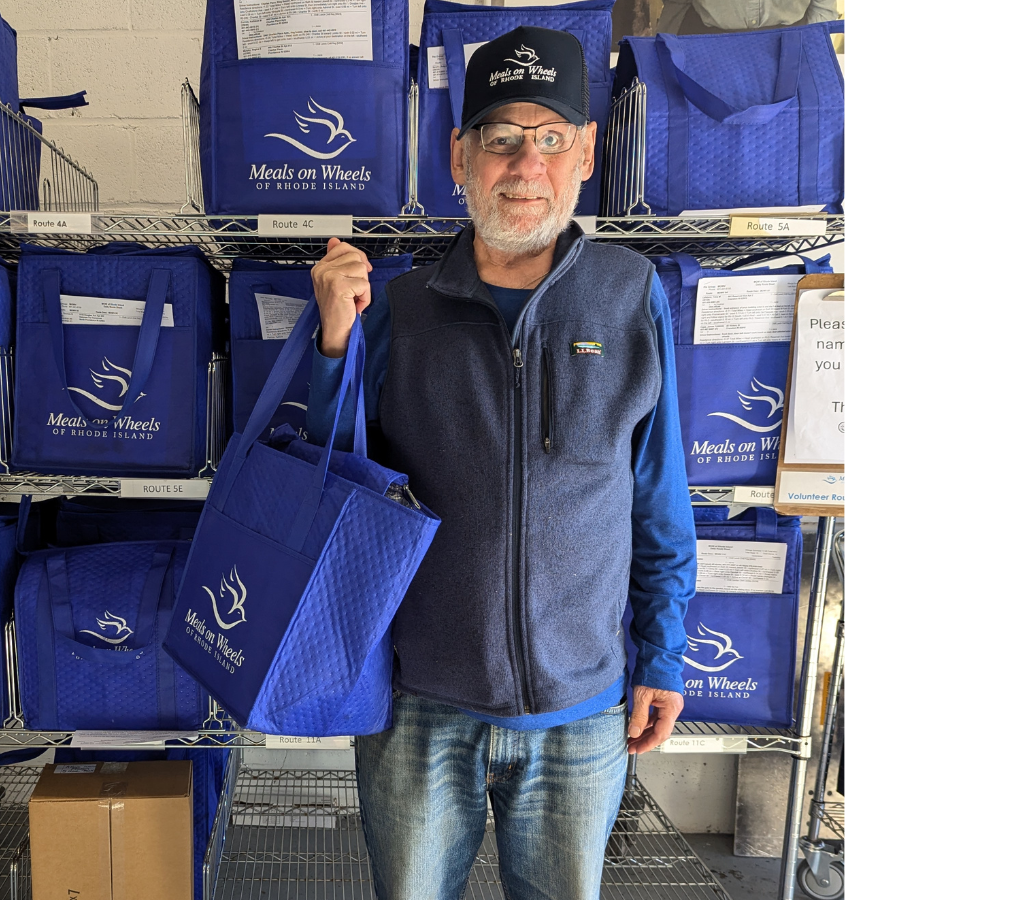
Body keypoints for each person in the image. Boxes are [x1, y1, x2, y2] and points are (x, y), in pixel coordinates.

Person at [304, 26, 697, 900]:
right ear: (460, 157)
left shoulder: (630, 296)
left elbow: (657, 500)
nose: (527, 165)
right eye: (502, 137)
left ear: (586, 154)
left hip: (581, 710)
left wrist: (662, 656)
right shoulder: (401, 305)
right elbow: (332, 479)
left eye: (552, 138)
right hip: (420, 703)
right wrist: (333, 343)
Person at [655, 0, 840, 35]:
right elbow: (676, 5)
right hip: (708, 42)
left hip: (790, 45)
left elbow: (822, 8)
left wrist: (812, 54)